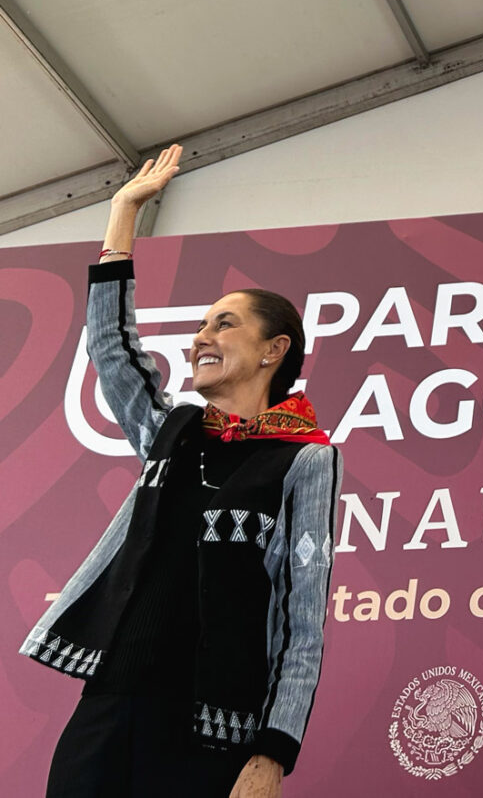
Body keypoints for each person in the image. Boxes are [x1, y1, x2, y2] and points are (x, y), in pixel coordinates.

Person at [21, 146, 342, 798]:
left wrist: (273, 752)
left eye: (224, 324)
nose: (201, 336)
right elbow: (112, 349)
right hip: (109, 705)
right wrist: (122, 215)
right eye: (199, 324)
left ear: (273, 350)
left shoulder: (304, 459)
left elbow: (303, 617)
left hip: (210, 731)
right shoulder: (172, 432)